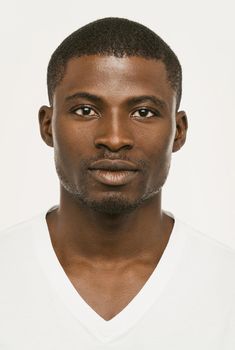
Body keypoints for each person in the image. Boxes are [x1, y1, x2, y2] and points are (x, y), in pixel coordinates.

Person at [0, 17, 234, 350]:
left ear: (179, 131)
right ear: (48, 125)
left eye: (143, 112)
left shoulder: (227, 287)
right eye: (85, 110)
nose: (114, 138)